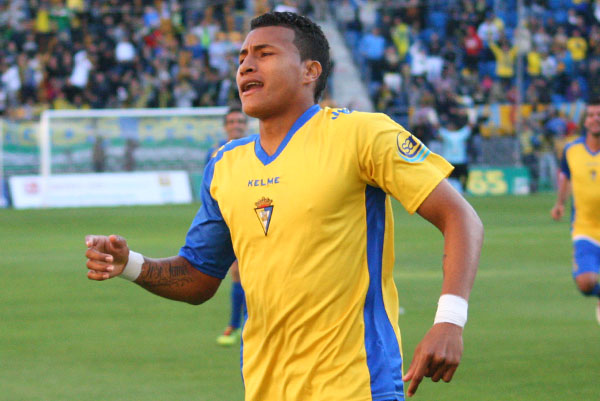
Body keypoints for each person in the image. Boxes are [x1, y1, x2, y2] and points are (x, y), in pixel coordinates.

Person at [85, 12, 483, 401]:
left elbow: (459, 216)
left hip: (357, 385)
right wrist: (131, 265)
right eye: (242, 58)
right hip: (263, 388)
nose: (246, 66)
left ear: (310, 71)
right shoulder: (225, 164)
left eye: (264, 54)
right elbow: (198, 278)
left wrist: (449, 320)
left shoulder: (361, 134)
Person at [551, 99, 600, 324]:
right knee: (585, 283)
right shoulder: (572, 150)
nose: (595, 118)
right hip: (585, 228)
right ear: (585, 121)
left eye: (599, 114)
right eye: (591, 114)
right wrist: (560, 203)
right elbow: (566, 177)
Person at [207, 106, 248, 346]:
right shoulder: (216, 154)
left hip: (258, 216)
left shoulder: (260, 148)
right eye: (231, 122)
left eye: (240, 121)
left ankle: (243, 325)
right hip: (228, 220)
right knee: (237, 272)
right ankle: (237, 324)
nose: (236, 125)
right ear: (225, 126)